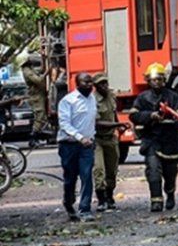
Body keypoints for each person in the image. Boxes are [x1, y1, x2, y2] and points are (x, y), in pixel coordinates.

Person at [129, 63, 178, 212]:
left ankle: (170, 193)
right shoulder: (142, 98)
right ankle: (156, 201)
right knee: (153, 170)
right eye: (153, 79)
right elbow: (133, 115)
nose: (156, 82)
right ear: (148, 80)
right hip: (152, 140)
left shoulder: (173, 97)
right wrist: (150, 116)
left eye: (159, 79)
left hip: (170, 140)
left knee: (170, 172)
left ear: (164, 80)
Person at [57, 72, 97, 222]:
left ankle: (85, 208)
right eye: (85, 82)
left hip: (87, 146)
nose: (89, 85)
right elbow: (64, 124)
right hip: (69, 145)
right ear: (77, 84)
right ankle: (68, 202)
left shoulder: (92, 99)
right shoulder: (68, 101)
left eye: (90, 82)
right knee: (70, 177)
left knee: (87, 175)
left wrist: (91, 137)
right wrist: (80, 137)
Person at [92, 73, 121, 213]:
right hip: (97, 138)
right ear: (95, 87)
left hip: (111, 138)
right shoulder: (93, 100)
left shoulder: (111, 96)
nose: (104, 86)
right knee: (99, 169)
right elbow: (97, 123)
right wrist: (117, 124)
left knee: (112, 169)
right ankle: (101, 200)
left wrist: (118, 126)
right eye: (101, 84)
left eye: (105, 83)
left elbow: (114, 112)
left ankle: (110, 197)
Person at [20, 54, 54, 148]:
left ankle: (40, 137)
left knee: (42, 117)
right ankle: (32, 139)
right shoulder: (27, 71)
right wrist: (47, 72)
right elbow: (38, 80)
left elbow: (40, 70)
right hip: (36, 97)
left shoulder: (30, 68)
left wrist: (45, 60)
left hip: (39, 95)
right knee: (40, 116)